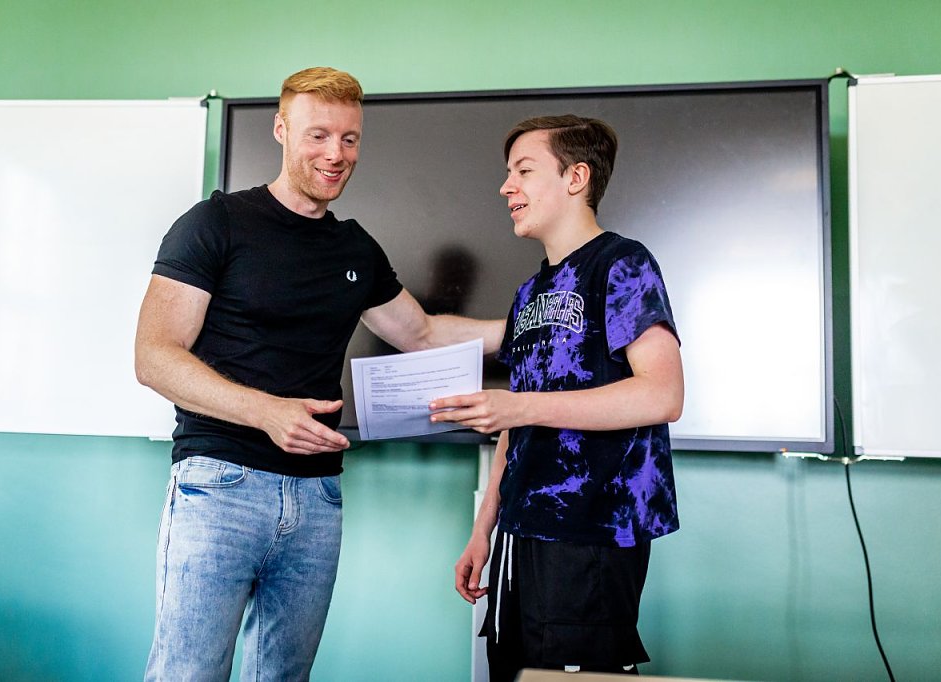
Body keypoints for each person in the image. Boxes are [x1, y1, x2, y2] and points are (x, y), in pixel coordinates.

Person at [134, 66, 503, 681]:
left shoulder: (355, 248)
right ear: (281, 130)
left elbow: (422, 334)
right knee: (188, 673)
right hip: (219, 487)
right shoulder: (215, 223)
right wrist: (266, 411)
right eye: (319, 135)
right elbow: (154, 355)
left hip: (318, 498)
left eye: (350, 139)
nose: (336, 154)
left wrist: (532, 324)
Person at [430, 115, 684, 679]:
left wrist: (518, 406)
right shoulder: (529, 292)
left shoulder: (623, 263)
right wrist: (484, 528)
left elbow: (663, 393)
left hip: (593, 530)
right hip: (521, 531)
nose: (506, 187)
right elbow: (518, 421)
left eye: (523, 171)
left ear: (576, 178)